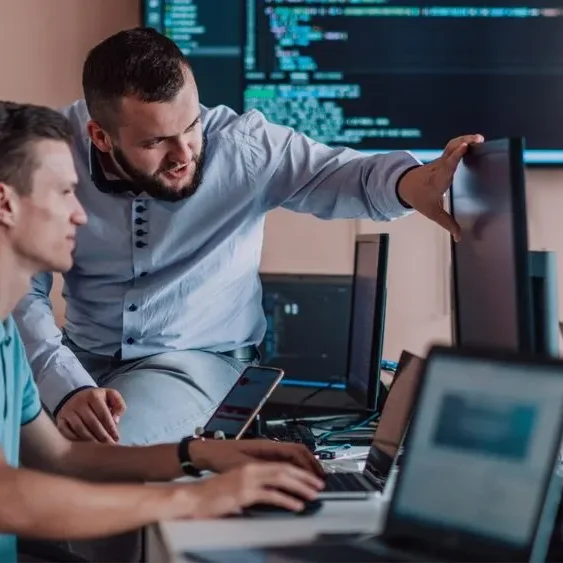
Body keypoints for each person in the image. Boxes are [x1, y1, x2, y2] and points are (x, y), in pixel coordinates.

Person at [13, 27, 484, 447]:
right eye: (156, 142)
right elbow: (16, 284)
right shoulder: (51, 153)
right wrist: (65, 383)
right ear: (100, 136)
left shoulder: (245, 146)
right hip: (76, 356)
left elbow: (351, 178)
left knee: (102, 451)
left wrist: (417, 184)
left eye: (191, 126)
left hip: (196, 361)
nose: (184, 155)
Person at [0, 100, 324, 563]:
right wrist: (197, 499)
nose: (80, 214)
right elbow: (8, 498)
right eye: (63, 193)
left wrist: (203, 456)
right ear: (5, 203)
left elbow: (64, 459)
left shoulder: (7, 338)